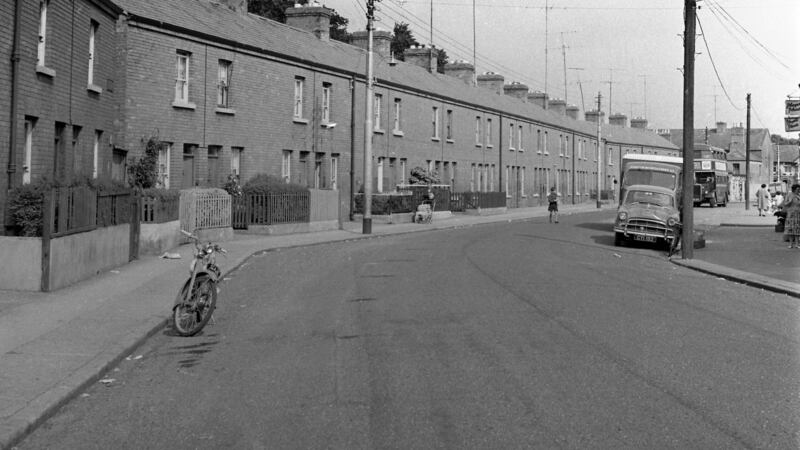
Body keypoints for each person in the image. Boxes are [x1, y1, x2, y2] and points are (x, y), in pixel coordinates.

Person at [782, 184, 800, 249]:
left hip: (798, 214)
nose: (799, 190)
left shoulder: (799, 196)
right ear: (794, 189)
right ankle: (791, 244)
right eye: (797, 189)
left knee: (797, 229)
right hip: (790, 214)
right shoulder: (789, 195)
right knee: (790, 229)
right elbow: (785, 204)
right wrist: (789, 201)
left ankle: (797, 244)